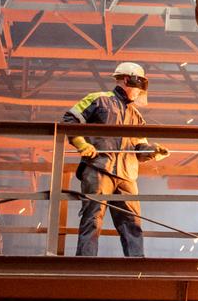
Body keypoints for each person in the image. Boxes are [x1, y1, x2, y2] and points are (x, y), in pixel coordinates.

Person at [63, 62, 167, 256]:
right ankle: (85, 264)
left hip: (127, 176)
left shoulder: (136, 116)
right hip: (98, 168)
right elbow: (70, 120)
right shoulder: (98, 99)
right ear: (127, 80)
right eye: (138, 86)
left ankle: (136, 266)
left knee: (132, 223)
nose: (139, 92)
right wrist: (82, 145)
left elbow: (139, 149)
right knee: (93, 218)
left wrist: (153, 151)